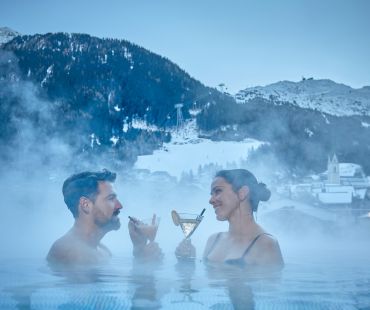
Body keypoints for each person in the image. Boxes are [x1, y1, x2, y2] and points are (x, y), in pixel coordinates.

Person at [47, 169, 162, 265]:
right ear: (85, 205)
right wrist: (144, 262)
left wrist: (139, 248)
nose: (119, 206)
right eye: (111, 198)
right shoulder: (71, 254)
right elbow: (111, 291)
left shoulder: (100, 249)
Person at [176, 169, 284, 269]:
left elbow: (271, 287)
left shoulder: (265, 244)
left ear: (242, 193)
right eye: (211, 194)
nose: (211, 200)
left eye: (218, 191)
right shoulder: (213, 240)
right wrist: (187, 262)